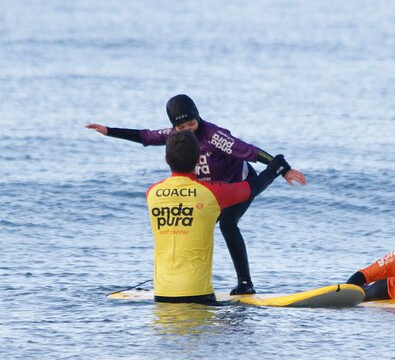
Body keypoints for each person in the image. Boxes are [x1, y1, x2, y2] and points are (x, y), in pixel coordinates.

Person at [87, 94, 306, 295]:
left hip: (237, 184)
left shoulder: (215, 137)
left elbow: (250, 151)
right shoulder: (176, 134)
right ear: (175, 126)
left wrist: (285, 169)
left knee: (228, 225)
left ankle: (246, 284)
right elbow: (146, 136)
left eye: (192, 123)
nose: (189, 129)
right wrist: (109, 131)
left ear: (198, 116)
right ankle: (182, 278)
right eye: (182, 126)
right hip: (211, 192)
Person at [147, 130, 290, 305]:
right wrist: (275, 168)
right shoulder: (212, 193)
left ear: (166, 159)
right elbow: (253, 187)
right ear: (199, 160)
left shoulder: (152, 193)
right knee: (240, 326)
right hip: (199, 296)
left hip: (161, 297)